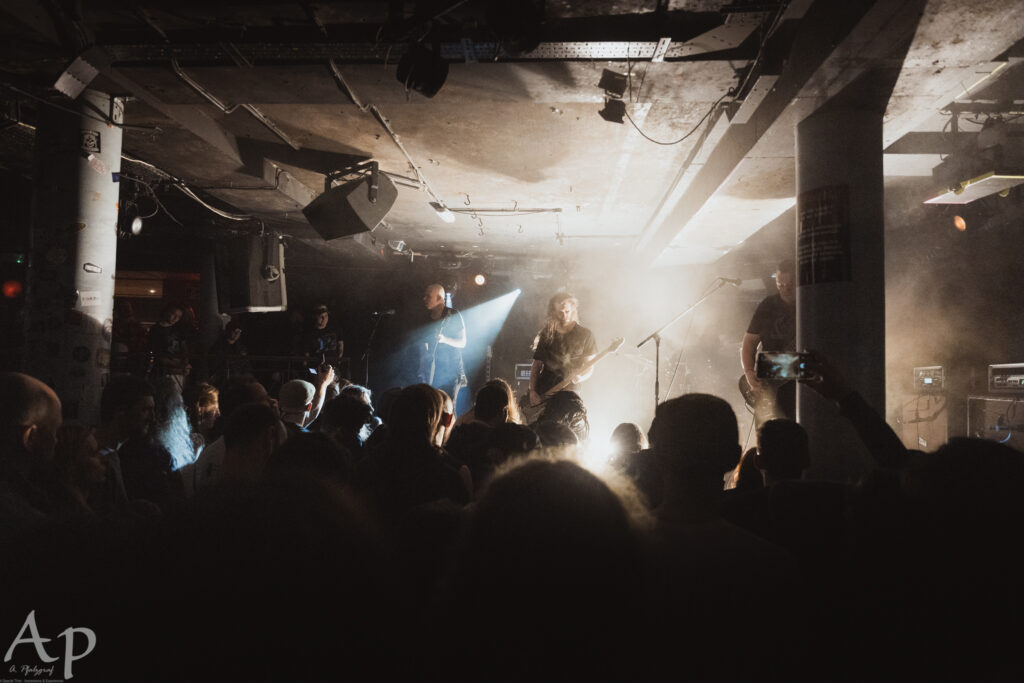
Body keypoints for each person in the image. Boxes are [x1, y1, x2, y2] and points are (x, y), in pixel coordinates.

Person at [740, 259, 796, 424]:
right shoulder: (768, 305)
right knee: (765, 432)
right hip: (769, 383)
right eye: (780, 285)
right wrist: (749, 373)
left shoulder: (809, 307)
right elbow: (749, 342)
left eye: (790, 285)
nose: (785, 290)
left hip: (795, 388)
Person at [529, 292, 597, 408]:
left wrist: (581, 377)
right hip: (545, 391)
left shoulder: (586, 335)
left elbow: (589, 367)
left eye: (567, 311)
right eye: (560, 312)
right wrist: (532, 391)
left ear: (573, 309)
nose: (564, 315)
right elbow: (537, 365)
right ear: (554, 312)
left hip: (570, 394)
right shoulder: (547, 334)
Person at [418, 284, 467, 407]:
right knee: (432, 406)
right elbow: (423, 345)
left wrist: (445, 339)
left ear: (439, 298)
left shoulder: (453, 314)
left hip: (451, 371)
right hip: (432, 371)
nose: (424, 299)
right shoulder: (425, 318)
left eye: (428, 296)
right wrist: (423, 367)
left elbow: (462, 342)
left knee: (447, 406)